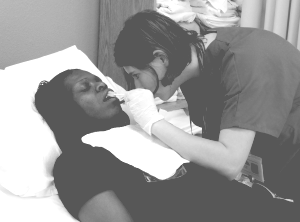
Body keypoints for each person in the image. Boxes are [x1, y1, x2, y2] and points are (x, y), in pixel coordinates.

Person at [114, 9, 300, 206]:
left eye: (136, 75)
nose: (137, 86)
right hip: (269, 177)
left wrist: (153, 122)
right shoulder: (191, 69)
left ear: (161, 58)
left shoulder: (246, 60)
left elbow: (229, 161)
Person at [35, 69, 262, 222]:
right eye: (85, 88)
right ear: (67, 112)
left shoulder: (145, 133)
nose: (101, 86)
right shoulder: (76, 163)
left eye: (100, 82)